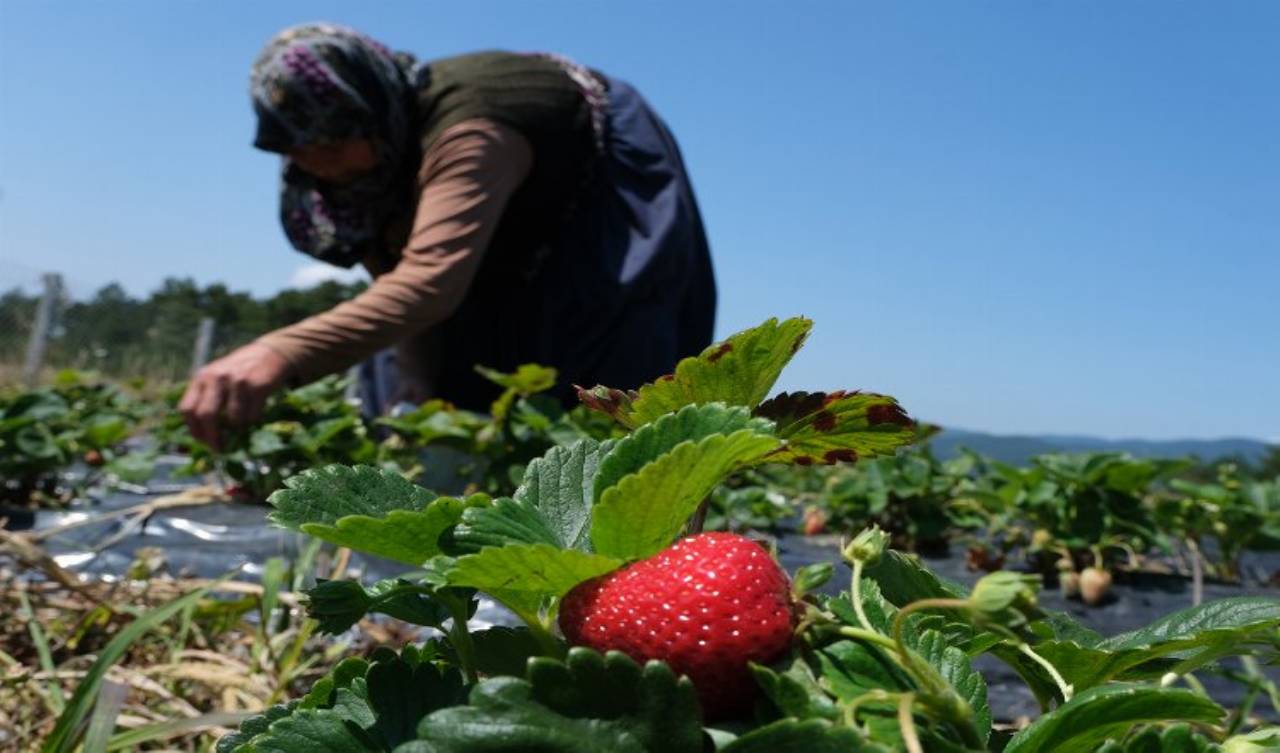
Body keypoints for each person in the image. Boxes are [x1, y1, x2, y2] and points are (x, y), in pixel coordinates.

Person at [179, 23, 716, 447]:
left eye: (329, 148)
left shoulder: (473, 132)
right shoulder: (364, 162)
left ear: (366, 114)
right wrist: (421, 405)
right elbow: (398, 280)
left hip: (596, 204)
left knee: (603, 373)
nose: (319, 168)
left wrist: (281, 352)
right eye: (299, 152)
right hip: (492, 226)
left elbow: (430, 284)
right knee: (429, 382)